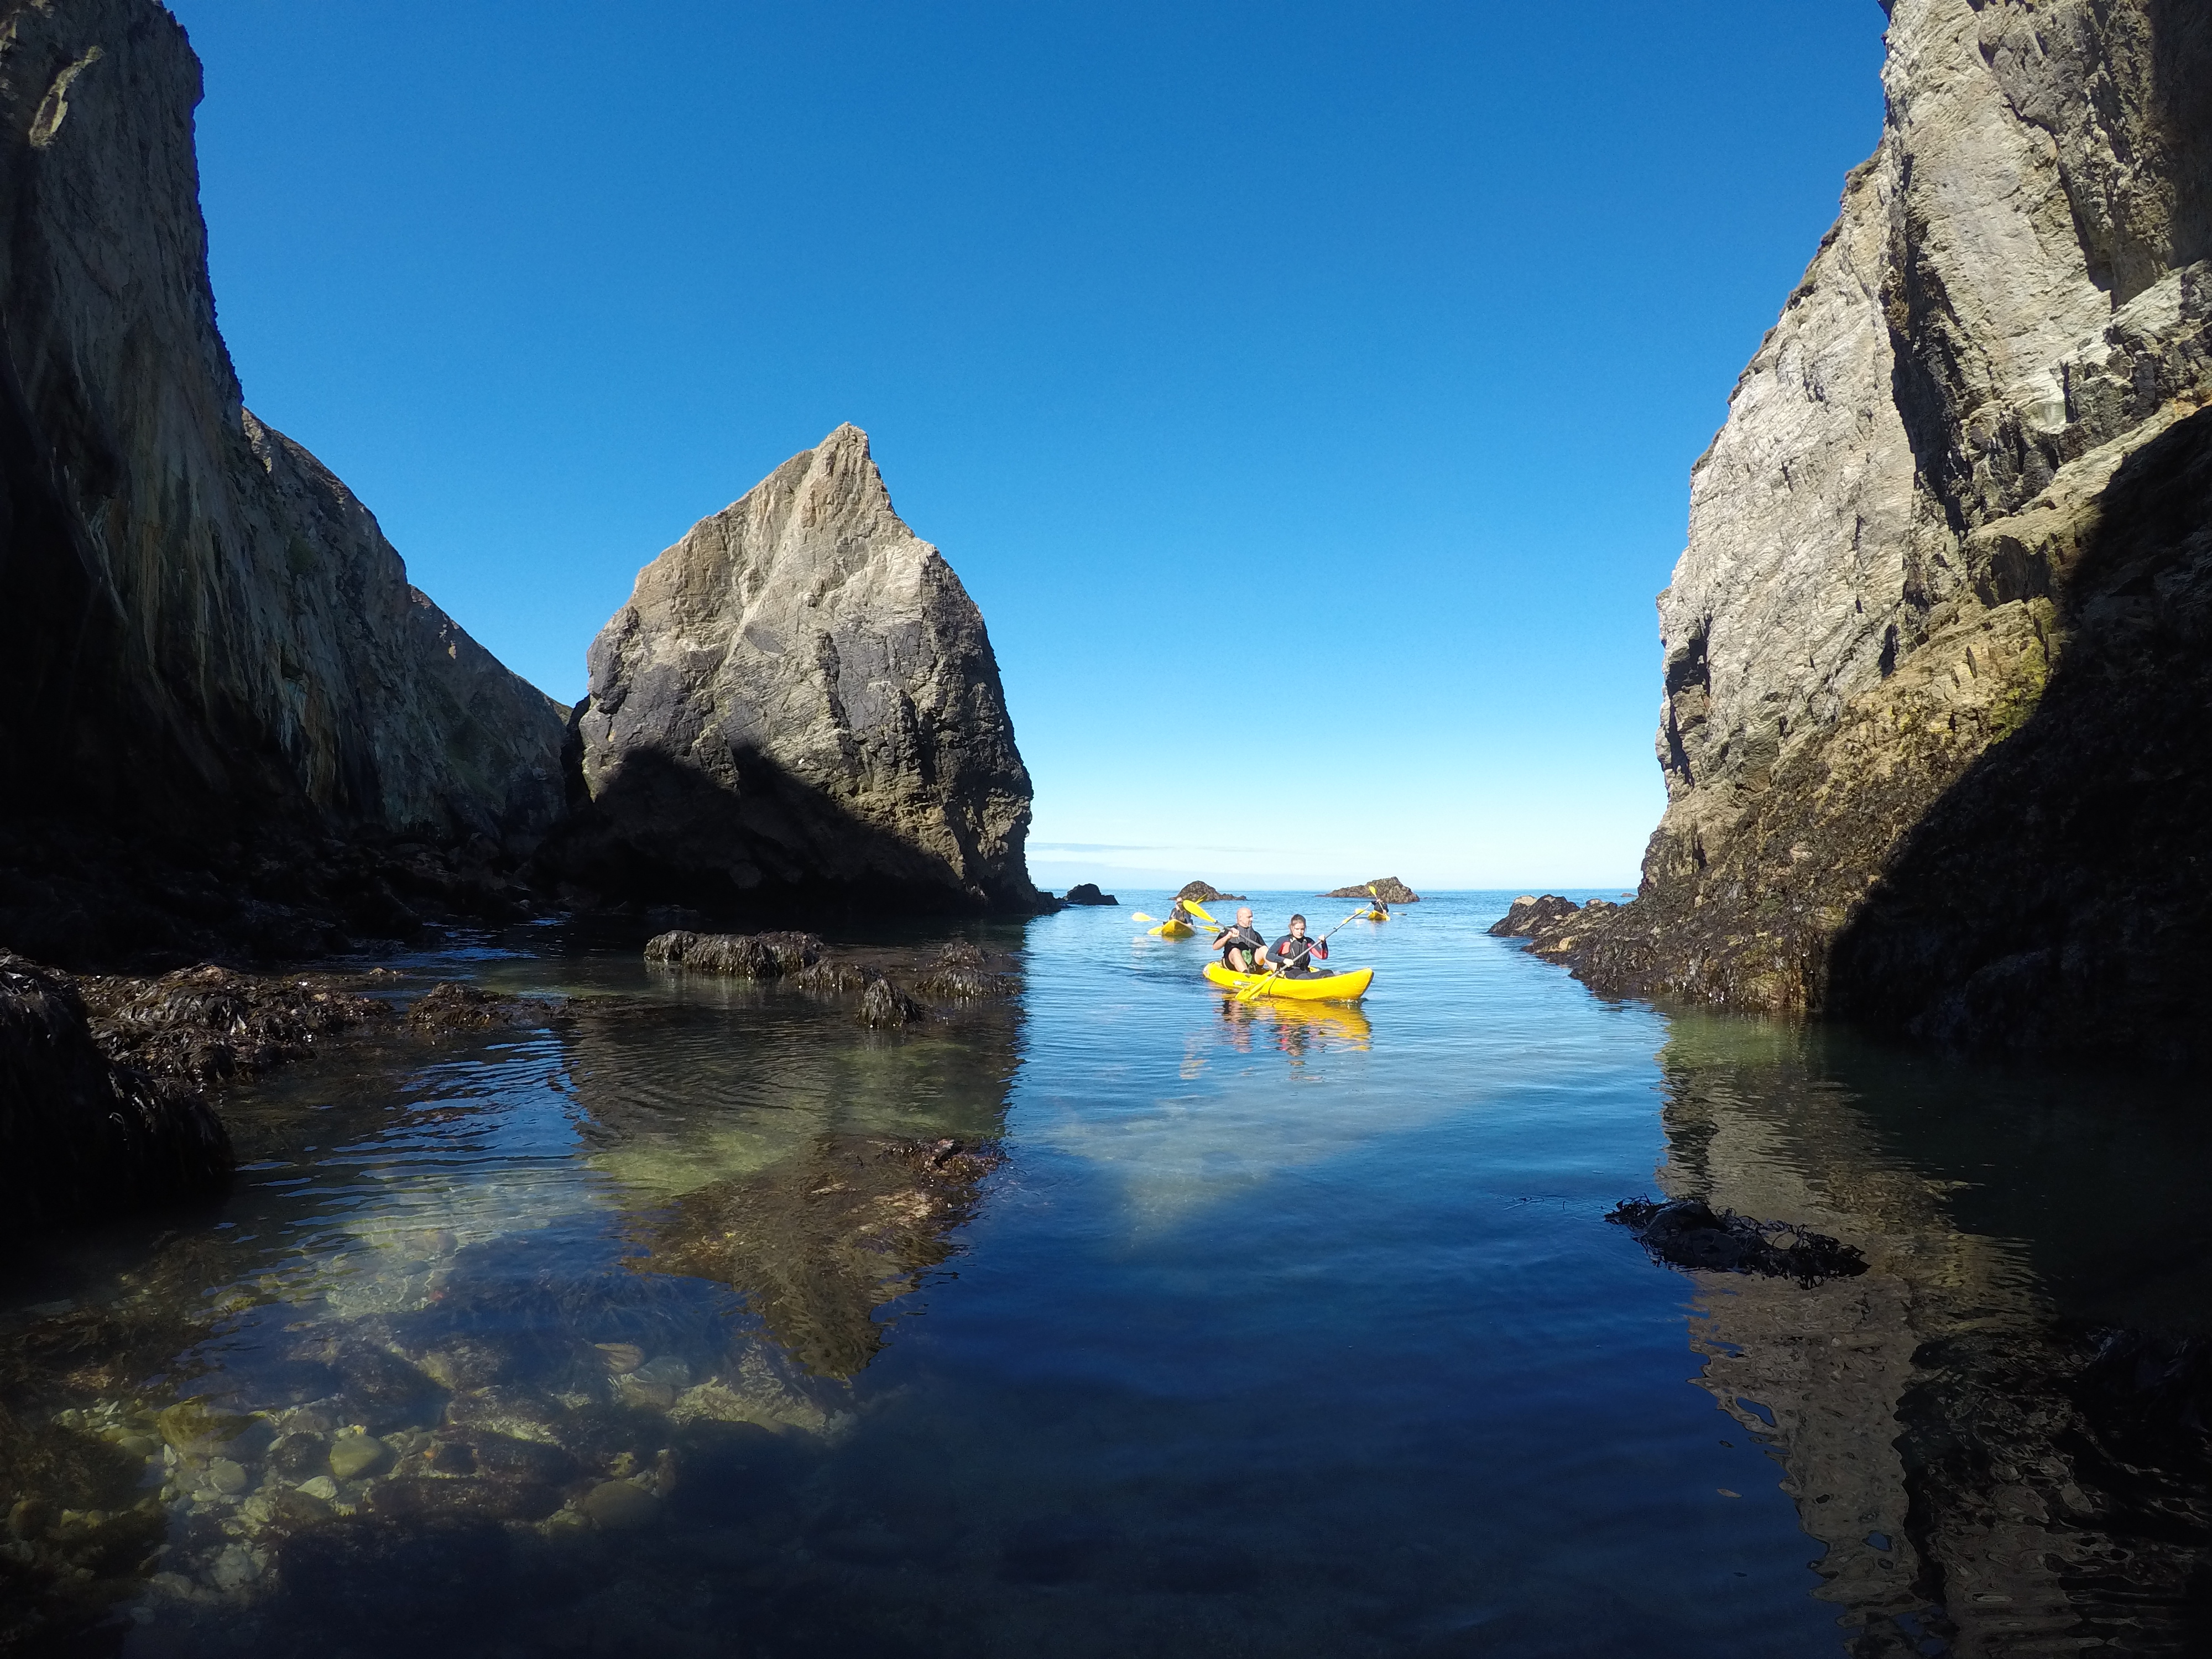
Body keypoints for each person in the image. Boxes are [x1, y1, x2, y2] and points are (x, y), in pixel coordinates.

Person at [1266, 914, 1331, 977]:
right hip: (1288, 972)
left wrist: (1323, 943)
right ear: (1292, 928)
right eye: (1297, 929)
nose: (1300, 932)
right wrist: (1284, 960)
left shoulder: (1308, 941)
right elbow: (1269, 955)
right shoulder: (1284, 940)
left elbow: (1323, 956)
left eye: (1302, 929)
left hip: (1305, 972)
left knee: (1328, 972)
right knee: (1302, 976)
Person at [1213, 906, 1265, 973]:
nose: (1252, 919)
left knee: (1264, 949)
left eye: (1252, 917)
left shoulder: (1256, 934)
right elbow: (1215, 947)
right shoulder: (1229, 930)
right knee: (1235, 950)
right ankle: (1245, 974)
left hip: (1252, 965)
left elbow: (1266, 952)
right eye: (1249, 917)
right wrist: (1228, 936)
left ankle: (1279, 973)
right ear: (1240, 918)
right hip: (1232, 964)